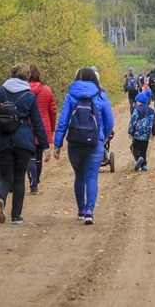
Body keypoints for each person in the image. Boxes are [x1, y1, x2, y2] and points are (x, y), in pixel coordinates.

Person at [0, 63, 48, 224]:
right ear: (27, 77)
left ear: (12, 74)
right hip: (23, 141)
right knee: (19, 178)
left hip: (3, 141)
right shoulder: (29, 96)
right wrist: (45, 145)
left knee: (5, 177)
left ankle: (0, 199)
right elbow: (37, 122)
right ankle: (16, 216)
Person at [53, 67, 114, 225]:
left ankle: (80, 210)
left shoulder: (71, 95)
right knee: (92, 177)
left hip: (74, 142)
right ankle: (89, 211)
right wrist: (103, 137)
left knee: (79, 176)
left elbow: (63, 121)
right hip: (95, 141)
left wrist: (57, 144)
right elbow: (110, 122)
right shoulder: (101, 94)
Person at [27, 64, 57, 194]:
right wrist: (52, 127)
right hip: (42, 126)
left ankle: (32, 182)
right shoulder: (47, 90)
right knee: (38, 156)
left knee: (29, 157)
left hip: (26, 126)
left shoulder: (23, 90)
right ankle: (35, 183)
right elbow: (53, 111)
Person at [128, 90, 155, 172]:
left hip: (138, 134)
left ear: (140, 101)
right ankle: (144, 165)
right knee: (143, 150)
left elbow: (133, 121)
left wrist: (130, 132)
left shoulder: (137, 110)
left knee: (134, 148)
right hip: (147, 135)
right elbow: (154, 122)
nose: (136, 102)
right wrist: (154, 133)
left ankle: (138, 158)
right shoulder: (151, 111)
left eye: (137, 101)